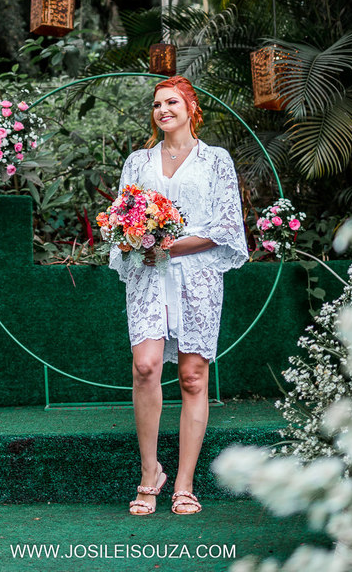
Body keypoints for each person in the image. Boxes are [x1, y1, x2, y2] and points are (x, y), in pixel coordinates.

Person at [109, 76, 247, 516]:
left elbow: (225, 226)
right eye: (156, 104)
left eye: (172, 102)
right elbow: (121, 218)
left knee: (192, 377)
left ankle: (184, 483)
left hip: (198, 278)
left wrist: (169, 244)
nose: (162, 109)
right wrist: (136, 241)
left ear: (191, 108)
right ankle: (151, 473)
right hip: (149, 277)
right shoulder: (138, 161)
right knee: (145, 367)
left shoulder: (215, 160)